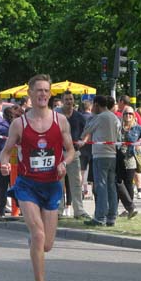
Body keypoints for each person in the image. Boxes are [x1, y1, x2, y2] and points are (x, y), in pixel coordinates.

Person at [0, 74, 75, 281]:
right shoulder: (18, 124)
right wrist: (4, 163)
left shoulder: (60, 121)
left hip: (52, 185)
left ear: (50, 94)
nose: (43, 94)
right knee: (39, 234)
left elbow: (70, 150)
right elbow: (6, 150)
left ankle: (35, 245)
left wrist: (64, 163)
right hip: (27, 185)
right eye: (38, 90)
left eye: (46, 90)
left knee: (47, 244)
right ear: (30, 94)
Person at [79, 95, 121, 226]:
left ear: (97, 105)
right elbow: (119, 135)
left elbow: (86, 131)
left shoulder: (99, 117)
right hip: (112, 154)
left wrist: (90, 119)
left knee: (100, 186)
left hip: (100, 154)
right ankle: (112, 216)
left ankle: (100, 217)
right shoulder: (115, 117)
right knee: (111, 185)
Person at [58, 91, 89, 219]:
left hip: (74, 153)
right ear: (62, 100)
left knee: (76, 183)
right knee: (58, 183)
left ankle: (79, 211)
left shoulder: (79, 116)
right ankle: (58, 211)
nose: (69, 101)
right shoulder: (56, 115)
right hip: (58, 153)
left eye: (71, 99)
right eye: (66, 99)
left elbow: (88, 130)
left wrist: (84, 141)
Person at [117, 107, 141, 218]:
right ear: (122, 115)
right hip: (118, 158)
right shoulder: (118, 127)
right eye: (126, 113)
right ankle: (117, 209)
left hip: (130, 159)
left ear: (134, 116)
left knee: (128, 183)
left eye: (130, 114)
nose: (128, 116)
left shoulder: (138, 128)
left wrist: (140, 144)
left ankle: (129, 208)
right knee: (118, 183)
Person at [0, 106, 17, 219]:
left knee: (2, 187)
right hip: (15, 161)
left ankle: (1, 213)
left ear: (3, 116)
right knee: (15, 185)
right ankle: (17, 210)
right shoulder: (16, 127)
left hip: (0, 161)